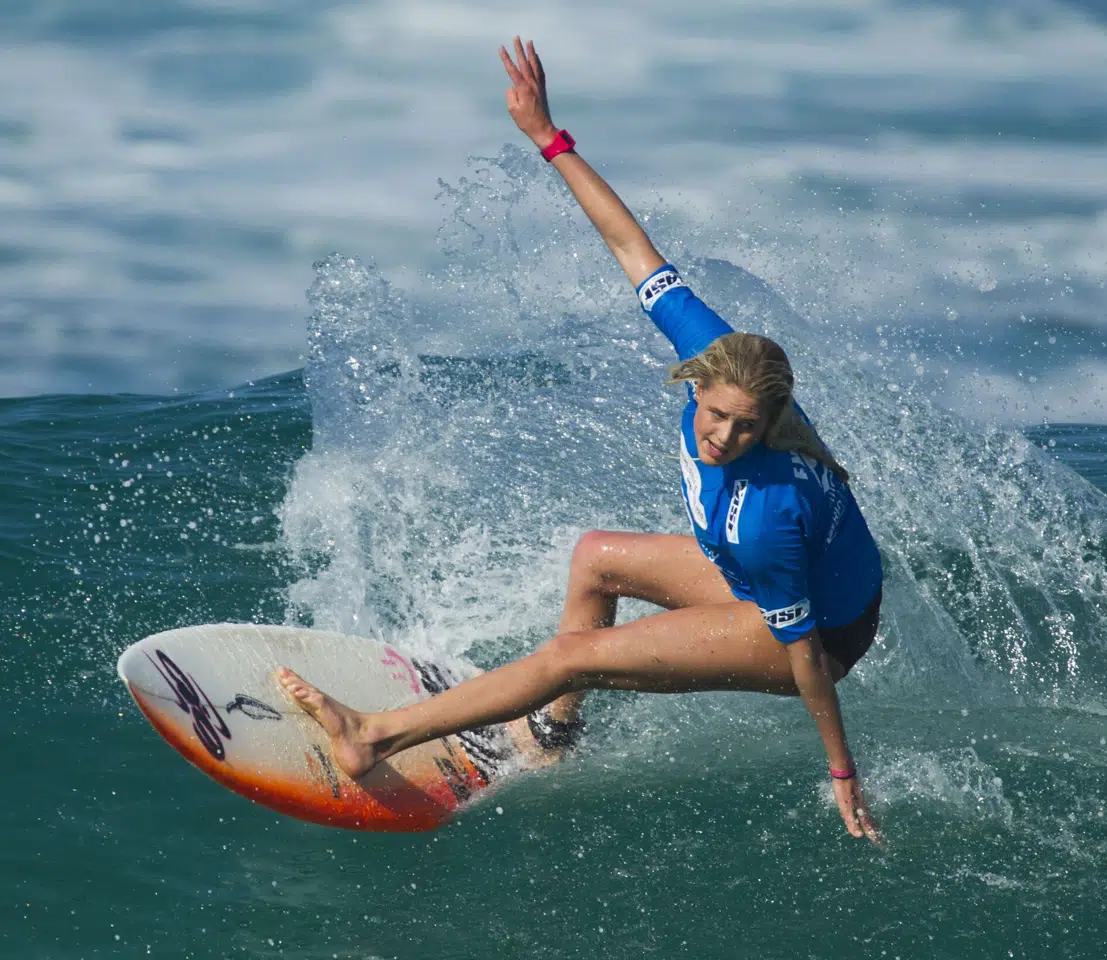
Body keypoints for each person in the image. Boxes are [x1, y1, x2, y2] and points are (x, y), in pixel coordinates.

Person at [278, 37, 884, 842]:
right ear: (695, 378)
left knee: (572, 655)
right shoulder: (712, 350)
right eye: (715, 414)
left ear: (770, 422)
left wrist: (841, 773)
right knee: (597, 556)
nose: (725, 436)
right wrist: (548, 139)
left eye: (747, 426)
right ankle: (555, 739)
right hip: (775, 578)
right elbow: (632, 246)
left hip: (818, 631)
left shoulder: (769, 510)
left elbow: (806, 655)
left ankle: (374, 735)